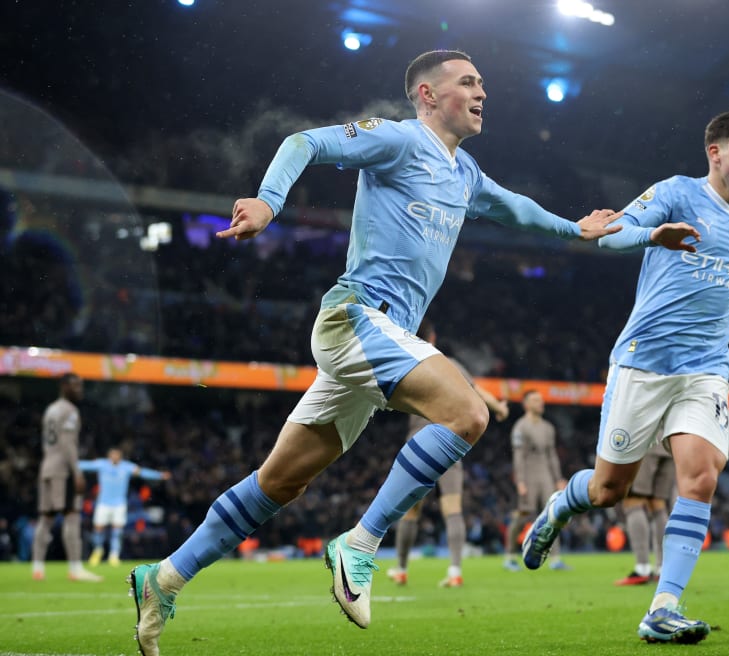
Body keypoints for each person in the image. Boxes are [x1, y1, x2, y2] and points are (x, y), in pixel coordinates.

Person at [126, 49, 621, 656]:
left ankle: (164, 578)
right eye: (468, 82)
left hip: (382, 342)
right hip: (354, 318)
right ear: (427, 95)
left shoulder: (463, 173)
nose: (482, 91)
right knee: (469, 413)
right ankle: (360, 543)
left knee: (280, 483)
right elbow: (304, 142)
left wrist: (577, 229)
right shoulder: (397, 140)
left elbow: (518, 209)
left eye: (483, 82)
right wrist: (268, 202)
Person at [520, 110, 729, 644]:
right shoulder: (676, 192)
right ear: (715, 153)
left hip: (706, 371)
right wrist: (656, 235)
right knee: (608, 490)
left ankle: (663, 606)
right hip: (643, 362)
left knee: (700, 478)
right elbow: (609, 237)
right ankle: (559, 506)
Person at [386, 318, 509, 588]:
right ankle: (455, 571)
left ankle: (402, 568)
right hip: (447, 443)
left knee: (410, 511)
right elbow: (476, 391)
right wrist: (499, 408)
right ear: (434, 336)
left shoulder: (405, 362)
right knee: (452, 509)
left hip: (418, 445)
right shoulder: (448, 363)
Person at [32, 373, 102, 582]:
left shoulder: (51, 409)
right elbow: (67, 443)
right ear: (64, 386)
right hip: (64, 470)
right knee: (72, 516)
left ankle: (37, 568)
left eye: (81, 386)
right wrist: (77, 471)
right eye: (75, 386)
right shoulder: (70, 411)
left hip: (47, 467)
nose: (79, 390)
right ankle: (75, 568)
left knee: (45, 518)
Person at [502, 390, 569, 572]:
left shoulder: (548, 428)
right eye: (535, 400)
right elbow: (519, 456)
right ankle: (509, 556)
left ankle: (555, 558)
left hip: (546, 474)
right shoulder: (520, 427)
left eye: (541, 400)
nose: (540, 403)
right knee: (523, 515)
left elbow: (552, 455)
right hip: (529, 474)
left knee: (554, 514)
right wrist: (520, 481)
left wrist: (558, 478)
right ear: (526, 404)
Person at [80, 447, 171, 567]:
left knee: (117, 531)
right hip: (103, 503)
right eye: (112, 455)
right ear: (109, 456)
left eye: (117, 455)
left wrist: (159, 475)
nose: (114, 457)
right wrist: (66, 463)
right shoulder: (102, 464)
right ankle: (98, 550)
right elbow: (84, 465)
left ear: (120, 456)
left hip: (119, 504)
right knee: (98, 529)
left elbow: (143, 472)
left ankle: (114, 555)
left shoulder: (126, 467)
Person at [614, 442, 673, 585]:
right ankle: (662, 568)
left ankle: (642, 568)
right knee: (658, 504)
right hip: (669, 446)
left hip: (645, 442)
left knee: (633, 501)